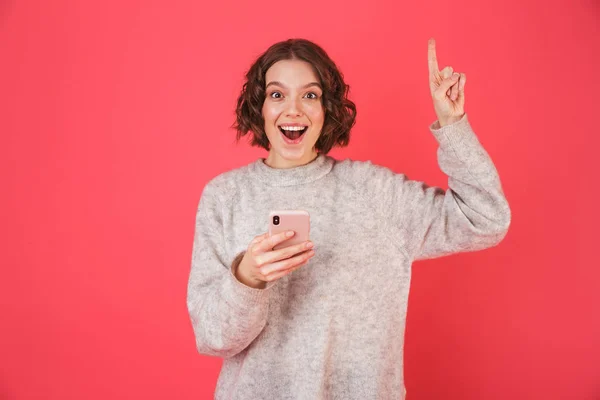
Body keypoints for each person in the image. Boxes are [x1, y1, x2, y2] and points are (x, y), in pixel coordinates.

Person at [186, 37, 511, 400]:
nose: (293, 109)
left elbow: (484, 218)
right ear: (259, 107)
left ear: (327, 109)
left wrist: (453, 126)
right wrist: (248, 276)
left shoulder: (373, 191)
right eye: (277, 95)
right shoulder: (225, 197)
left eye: (309, 95)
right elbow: (213, 338)